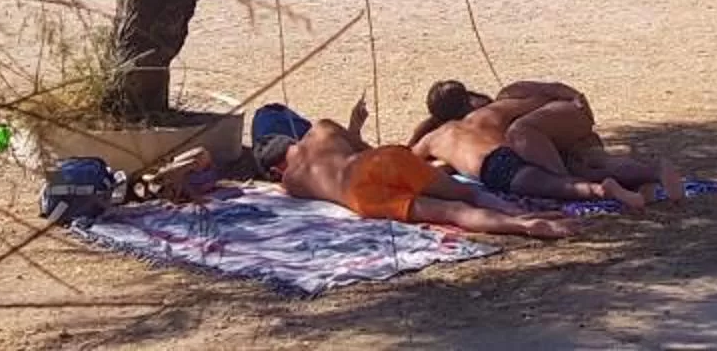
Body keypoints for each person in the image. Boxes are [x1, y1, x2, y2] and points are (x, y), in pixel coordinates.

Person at [258, 99, 571, 238]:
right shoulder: (322, 129)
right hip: (376, 161)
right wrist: (355, 125)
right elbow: (360, 147)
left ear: (275, 168)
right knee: (465, 193)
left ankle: (524, 227)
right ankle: (517, 211)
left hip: (360, 194)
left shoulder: (291, 180)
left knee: (452, 212)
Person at [409, 83, 657, 212]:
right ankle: (643, 176)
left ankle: (604, 191)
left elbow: (406, 160)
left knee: (559, 187)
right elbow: (535, 102)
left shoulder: (437, 136)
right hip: (519, 150)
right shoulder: (488, 113)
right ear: (468, 98)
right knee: (568, 173)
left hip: (495, 168)